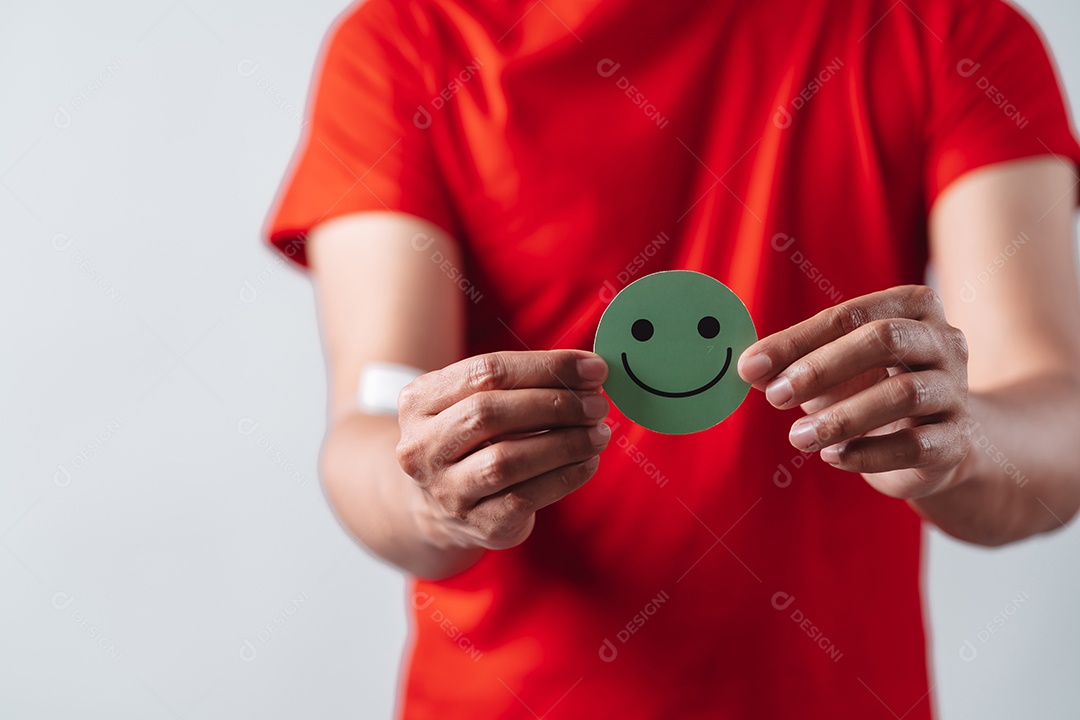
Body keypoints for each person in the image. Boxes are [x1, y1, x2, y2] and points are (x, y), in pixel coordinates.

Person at [263, 0, 1080, 717]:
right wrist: (435, 491)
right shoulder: (404, 41)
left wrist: (964, 439)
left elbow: (1055, 418)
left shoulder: (955, 32)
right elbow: (372, 422)